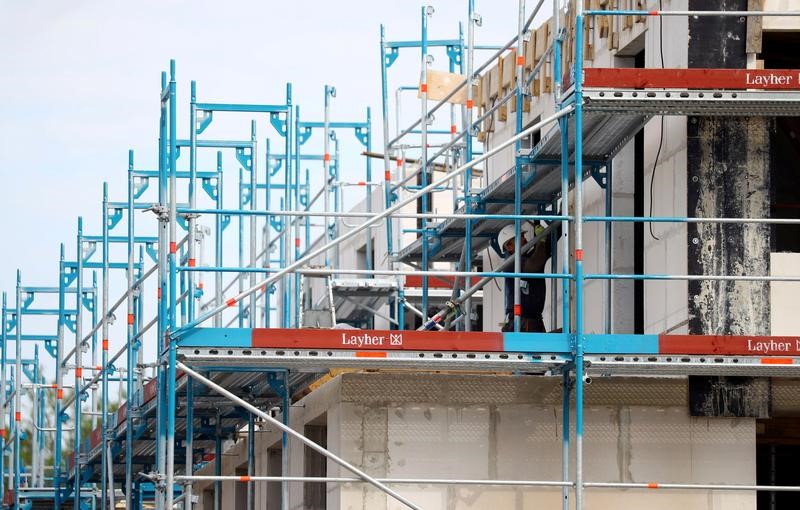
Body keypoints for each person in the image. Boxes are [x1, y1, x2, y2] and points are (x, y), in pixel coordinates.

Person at [497, 221, 554, 332]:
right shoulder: (510, 262)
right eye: (521, 237)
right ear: (509, 246)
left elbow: (547, 246)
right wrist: (541, 240)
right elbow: (533, 266)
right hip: (521, 322)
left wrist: (562, 215)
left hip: (533, 319)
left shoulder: (528, 258)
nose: (525, 239)